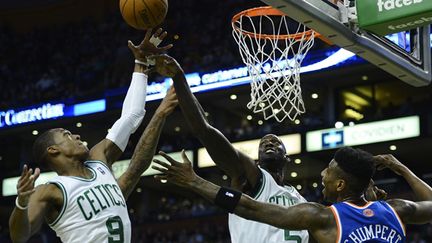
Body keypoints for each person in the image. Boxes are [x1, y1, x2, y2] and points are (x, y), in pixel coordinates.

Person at [9, 29, 177, 243]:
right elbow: (19, 237)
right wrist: (22, 202)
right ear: (53, 150)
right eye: (67, 134)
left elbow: (132, 116)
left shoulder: (99, 160)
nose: (77, 135)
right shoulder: (49, 191)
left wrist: (141, 66)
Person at [153, 147, 432, 243]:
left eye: (329, 171)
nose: (322, 174)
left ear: (339, 186)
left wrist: (194, 182)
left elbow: (251, 208)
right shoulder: (397, 209)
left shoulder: (324, 217)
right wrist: (401, 168)